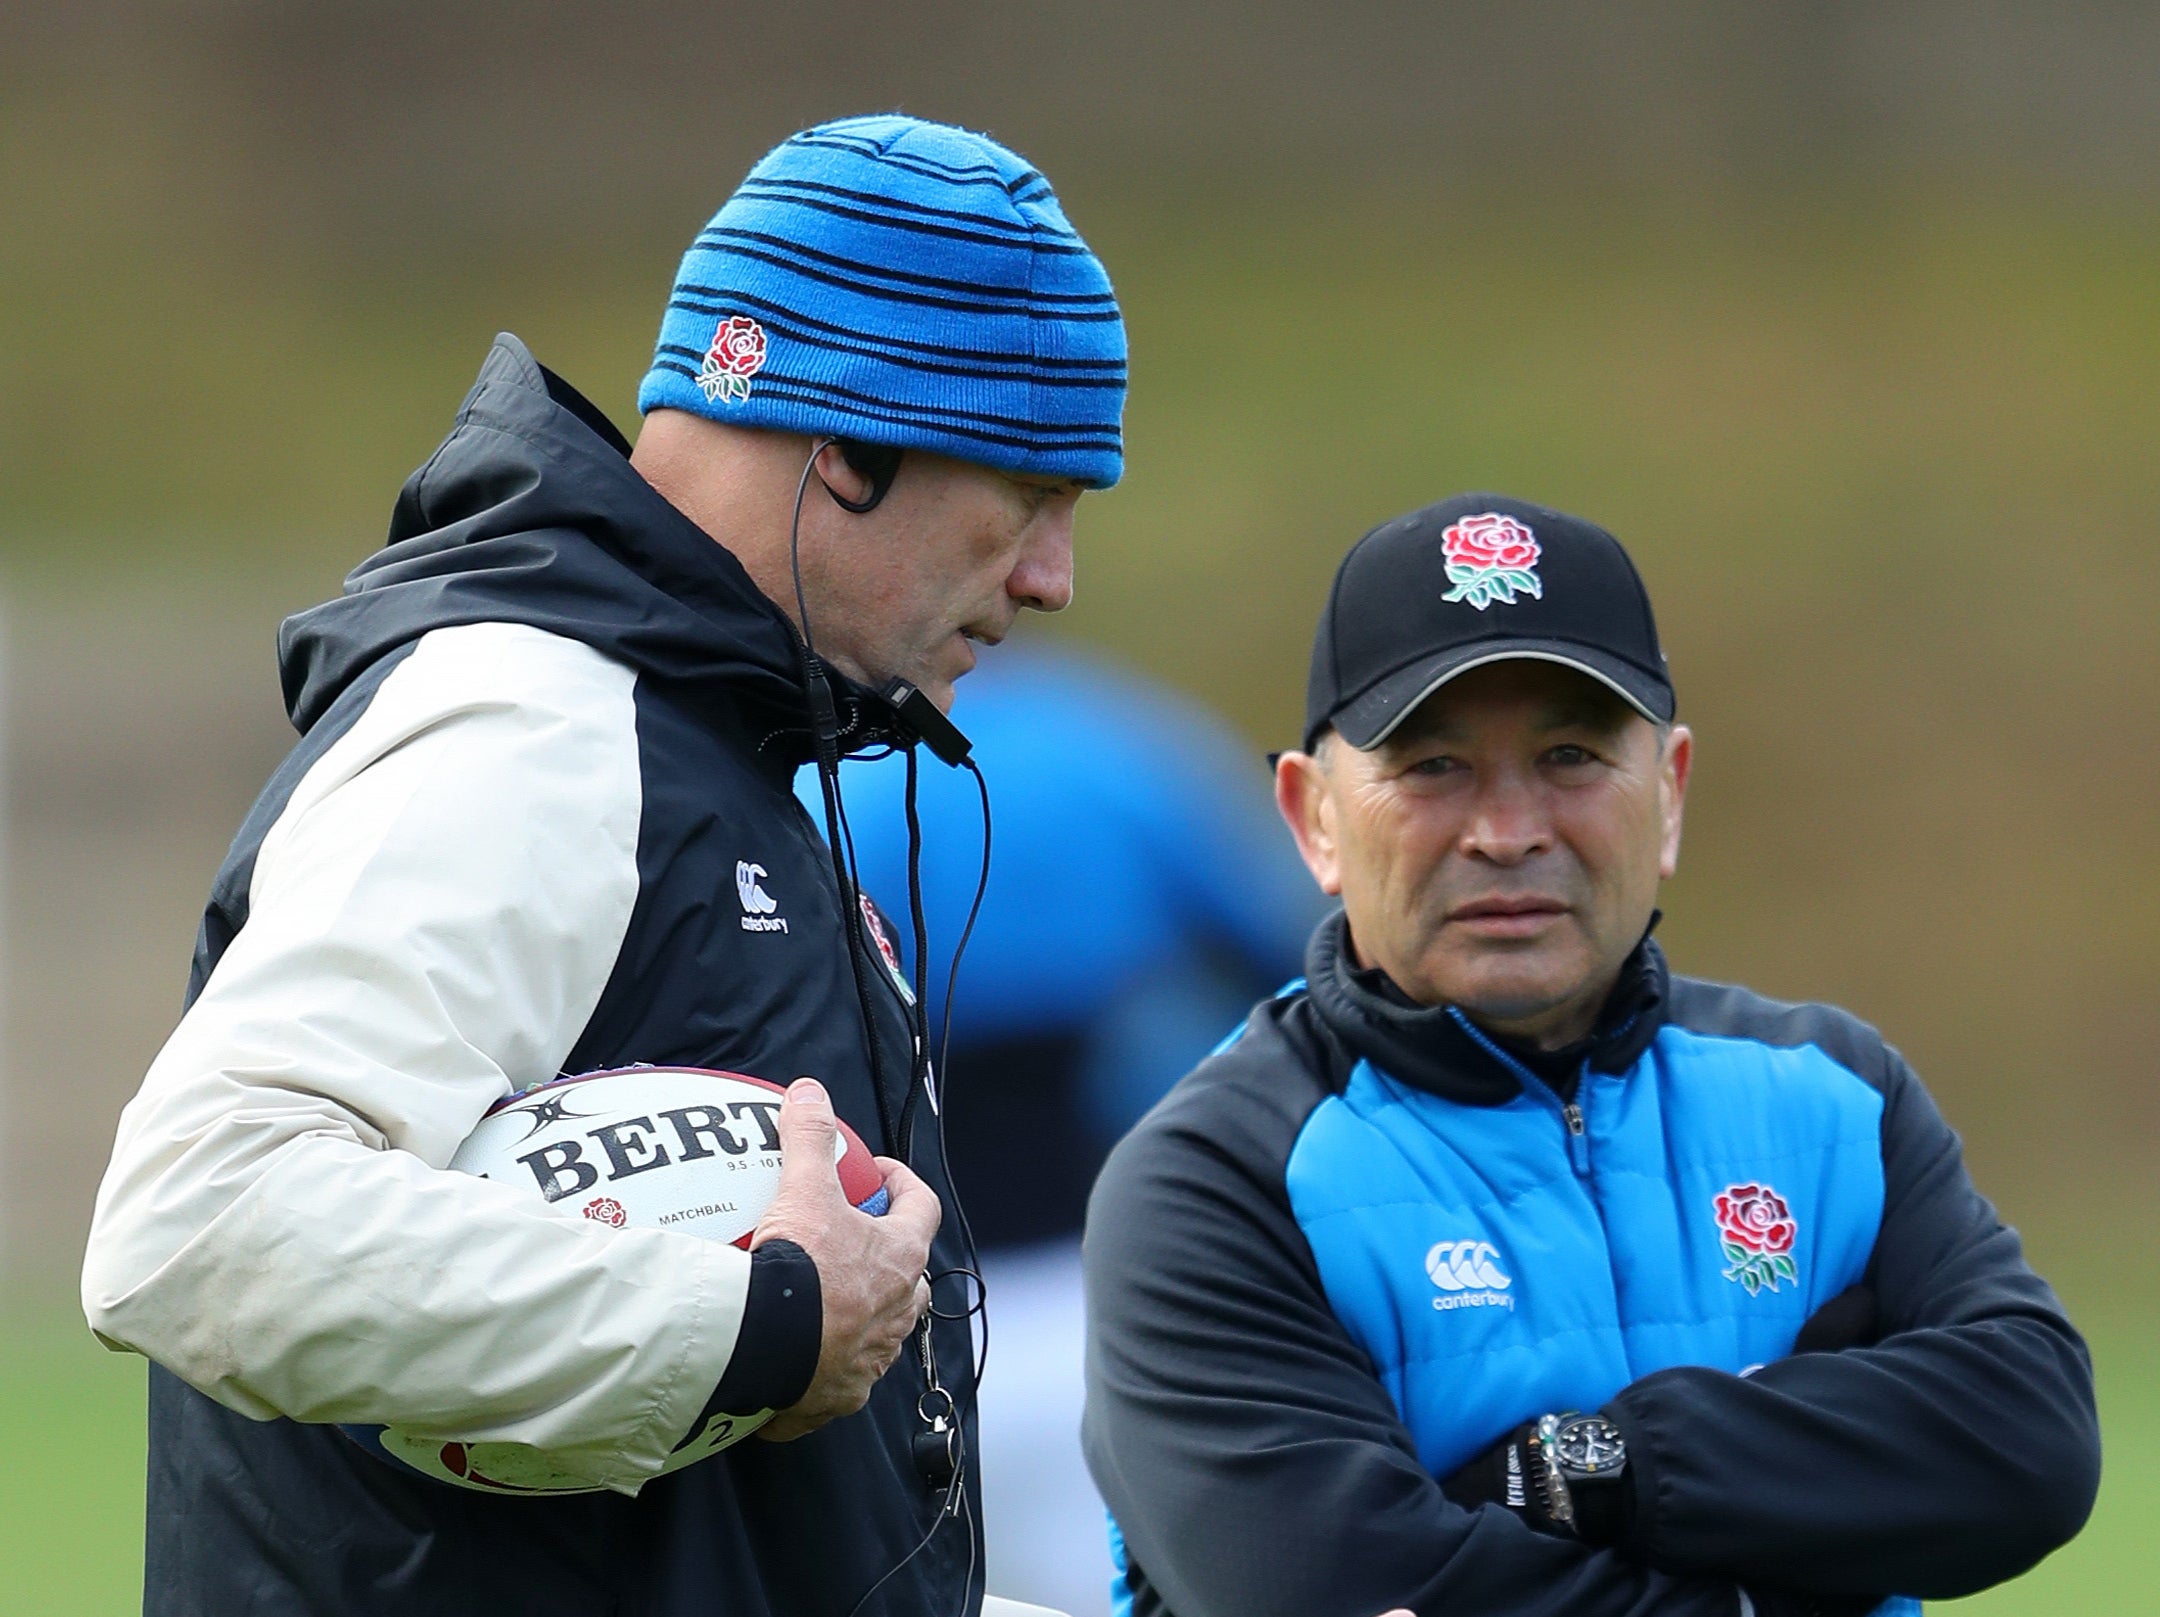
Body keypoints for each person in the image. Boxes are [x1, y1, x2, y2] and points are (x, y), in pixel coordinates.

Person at [79, 114, 1126, 1617]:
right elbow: (200, 1219)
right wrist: (756, 1321)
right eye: (1031, 494)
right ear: (844, 444)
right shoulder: (534, 730)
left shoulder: (706, 763)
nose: (1054, 577)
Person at [1081, 494, 2100, 1617]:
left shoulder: (1830, 1098)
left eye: (1570, 755)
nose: (1508, 831)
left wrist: (1590, 1464)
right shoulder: (1217, 1176)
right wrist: (1797, 1526)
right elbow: (1333, 1588)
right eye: (1432, 766)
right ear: (1313, 817)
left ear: (1668, 794)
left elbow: (2031, 1444)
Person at [813, 645, 1318, 1615]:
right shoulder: (1115, 744)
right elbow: (1292, 965)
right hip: (1107, 1305)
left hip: (886, 1335)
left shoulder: (825, 775)